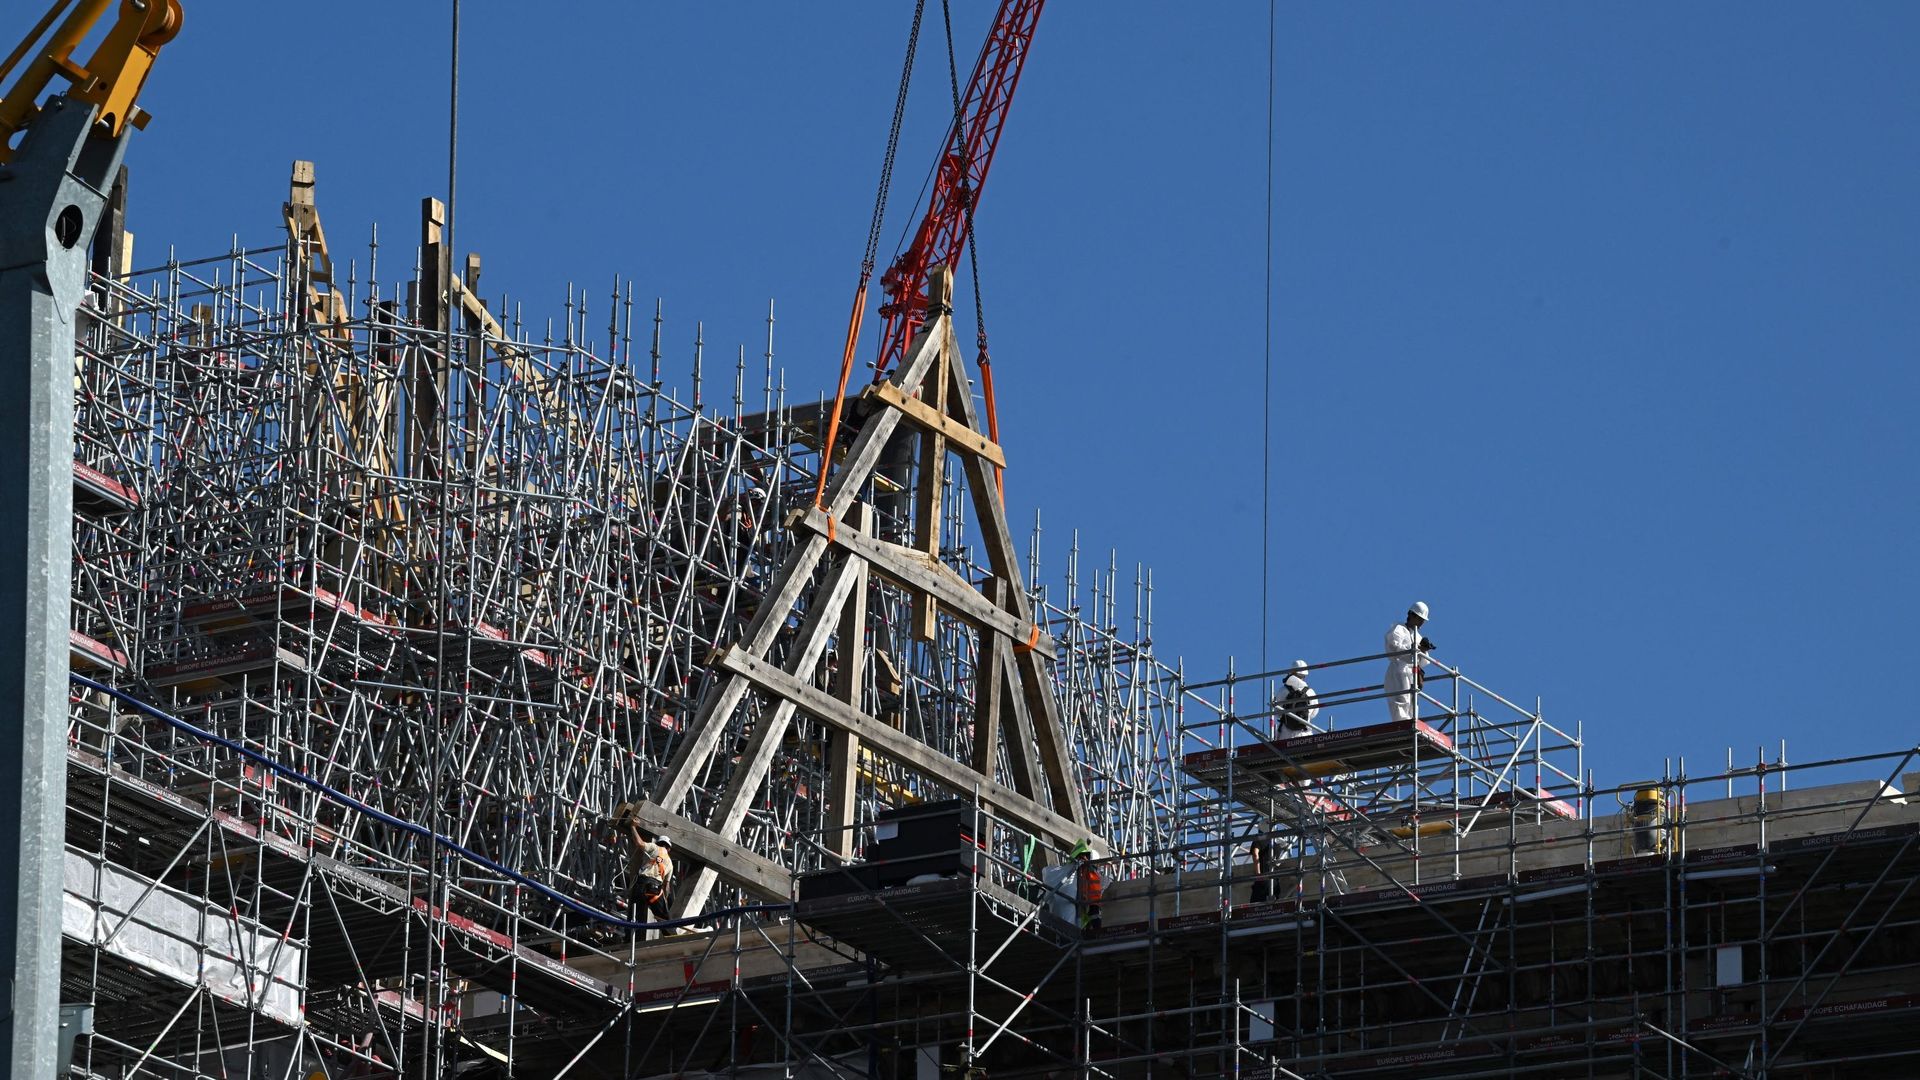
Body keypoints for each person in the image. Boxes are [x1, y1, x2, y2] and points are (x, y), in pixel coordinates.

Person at [1384, 601, 1435, 723]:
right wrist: (1414, 650)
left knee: (1413, 701)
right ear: (1412, 615)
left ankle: (1412, 722)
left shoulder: (1418, 636)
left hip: (1412, 673)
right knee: (1401, 699)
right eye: (1421, 618)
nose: (1422, 622)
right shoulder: (1399, 629)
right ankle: (1401, 724)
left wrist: (1423, 650)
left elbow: (1422, 662)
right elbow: (1394, 649)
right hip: (1399, 670)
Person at [628, 823, 675, 936]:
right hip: (655, 890)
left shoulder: (654, 847)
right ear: (668, 848)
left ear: (659, 843)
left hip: (641, 884)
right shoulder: (670, 863)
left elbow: (639, 843)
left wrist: (633, 827)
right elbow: (667, 887)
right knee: (663, 916)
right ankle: (671, 936)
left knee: (635, 913)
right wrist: (664, 900)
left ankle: (630, 938)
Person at [1273, 660, 1319, 740]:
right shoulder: (1311, 692)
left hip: (1285, 736)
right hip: (1305, 736)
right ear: (1304, 675)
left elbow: (1277, 712)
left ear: (1291, 673)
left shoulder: (1283, 690)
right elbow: (1313, 714)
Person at [1069, 839, 1103, 930]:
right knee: (1091, 918)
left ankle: (1093, 931)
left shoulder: (1089, 870)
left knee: (1092, 918)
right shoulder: (1091, 871)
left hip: (1090, 901)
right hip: (1090, 901)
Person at [1248, 833, 1275, 903]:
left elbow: (1255, 854)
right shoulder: (1277, 845)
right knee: (1273, 908)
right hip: (1275, 881)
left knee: (1254, 909)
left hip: (1262, 880)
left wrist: (1258, 874)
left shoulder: (1258, 841)